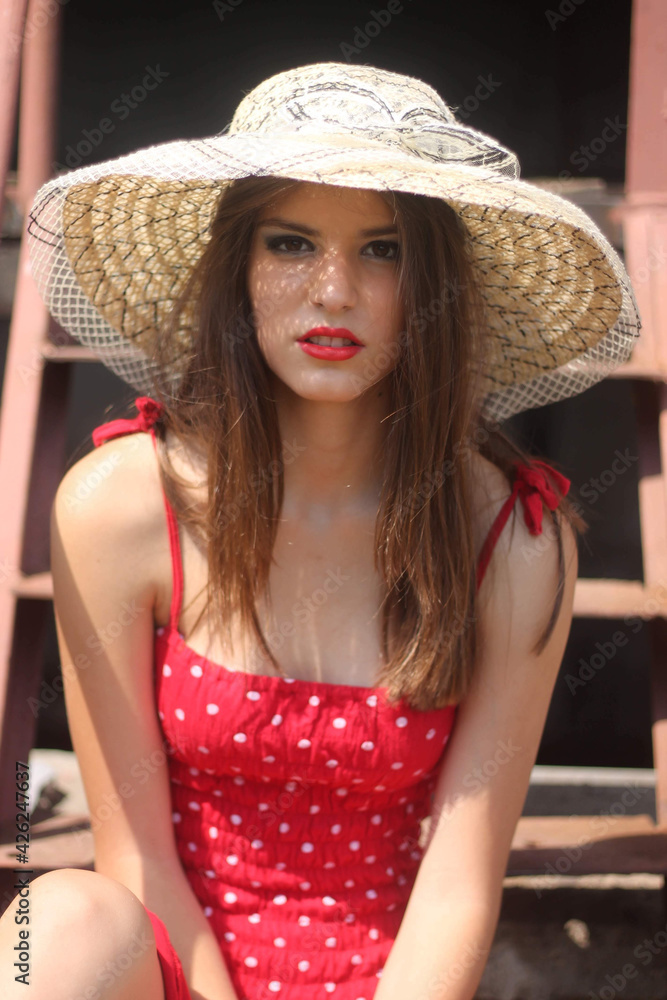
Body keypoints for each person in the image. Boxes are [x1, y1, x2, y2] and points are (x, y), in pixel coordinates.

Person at [1, 62, 640, 1000]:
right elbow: (131, 857)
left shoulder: (511, 539)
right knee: (41, 926)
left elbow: (459, 889)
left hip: (395, 984)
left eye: (382, 251)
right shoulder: (119, 507)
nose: (333, 291)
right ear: (239, 268)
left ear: (435, 288)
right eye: (291, 242)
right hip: (174, 977)